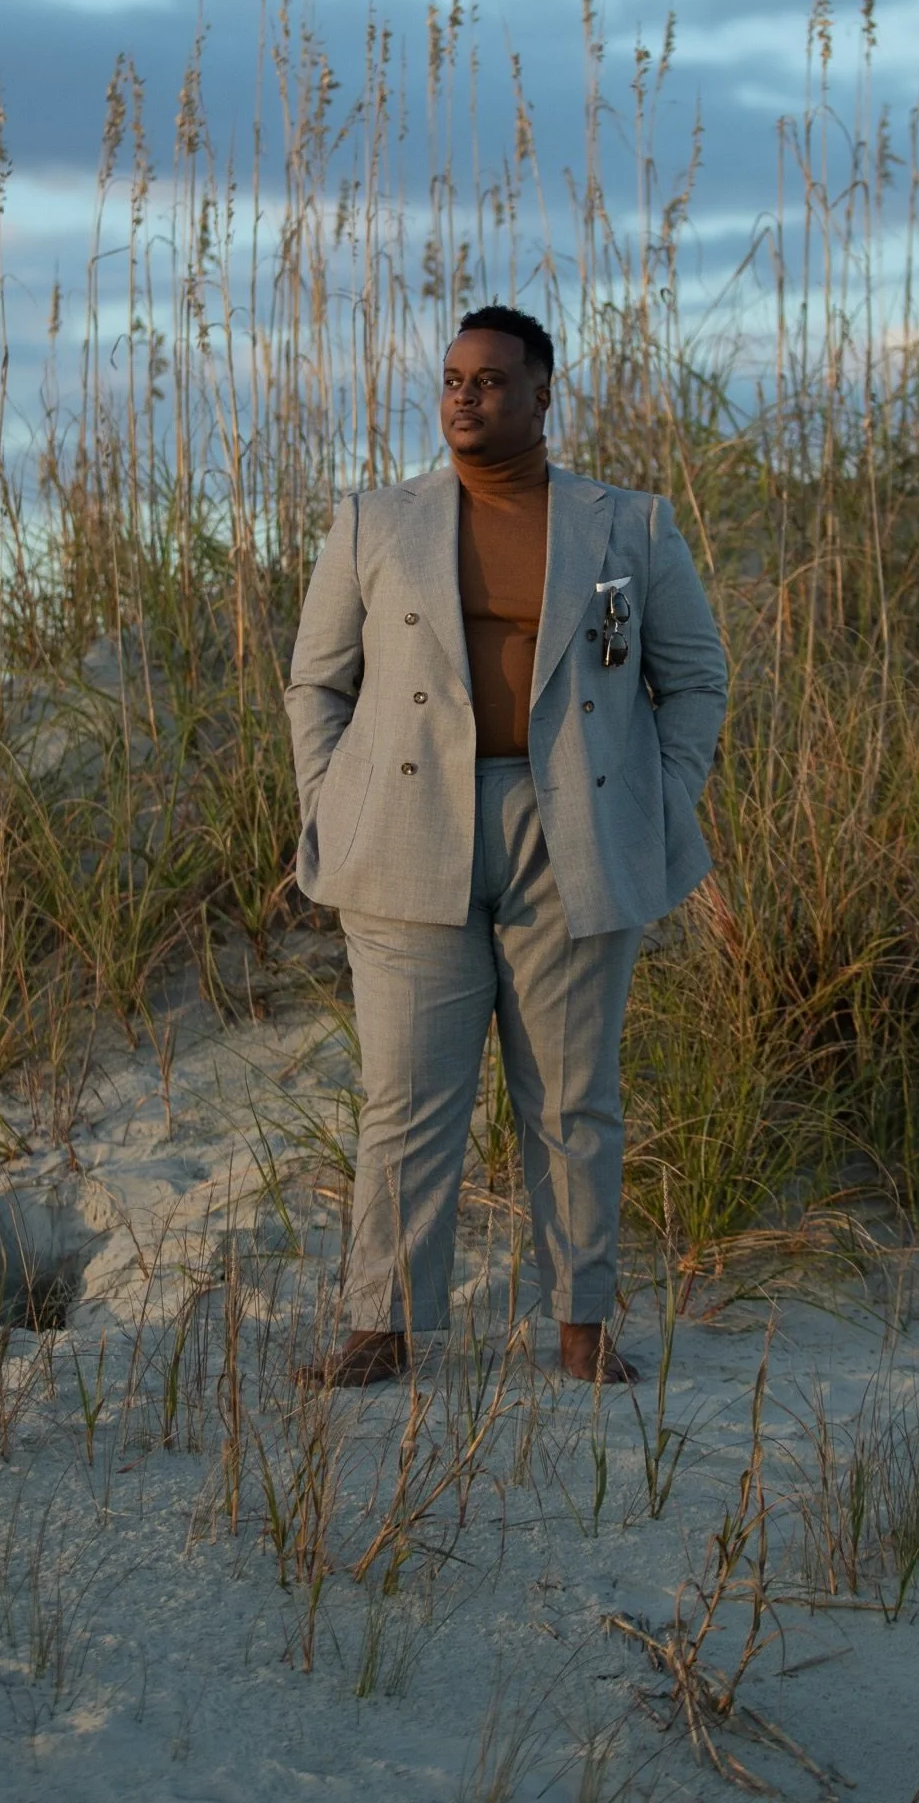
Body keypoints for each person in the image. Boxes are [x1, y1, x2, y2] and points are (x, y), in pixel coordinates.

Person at [285, 305, 727, 1383]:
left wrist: (658, 804)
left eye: (489, 380)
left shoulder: (630, 527)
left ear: (542, 391)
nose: (464, 397)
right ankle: (379, 1324)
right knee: (405, 1091)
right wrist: (331, 801)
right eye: (450, 379)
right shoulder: (371, 523)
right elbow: (316, 681)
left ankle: (582, 1325)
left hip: (570, 827)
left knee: (574, 1093)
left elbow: (695, 677)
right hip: (404, 833)